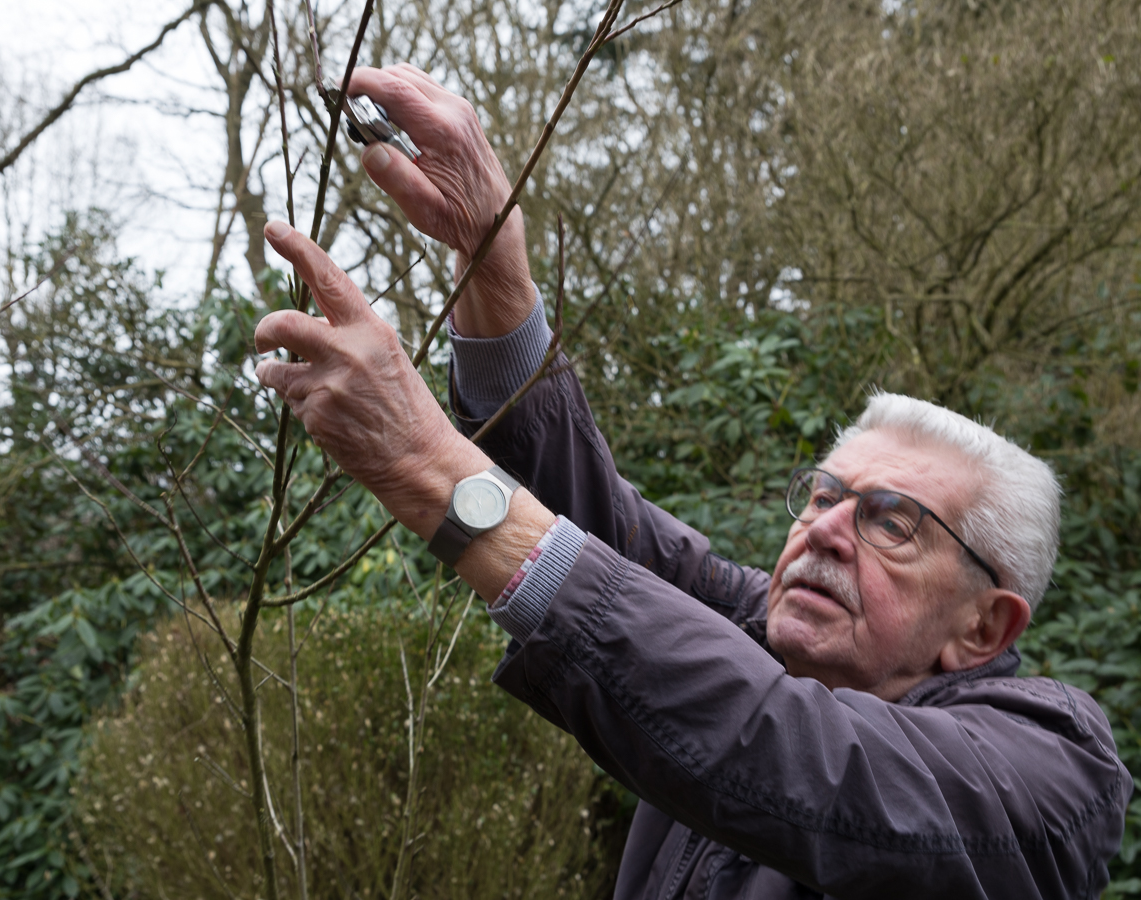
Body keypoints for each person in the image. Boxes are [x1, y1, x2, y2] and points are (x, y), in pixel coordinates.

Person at [251, 65, 1130, 899]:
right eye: (825, 495)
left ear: (985, 626)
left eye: (891, 523)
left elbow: (783, 747)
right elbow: (599, 543)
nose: (825, 529)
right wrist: (492, 258)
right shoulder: (763, 635)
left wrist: (433, 474)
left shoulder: (1049, 774)